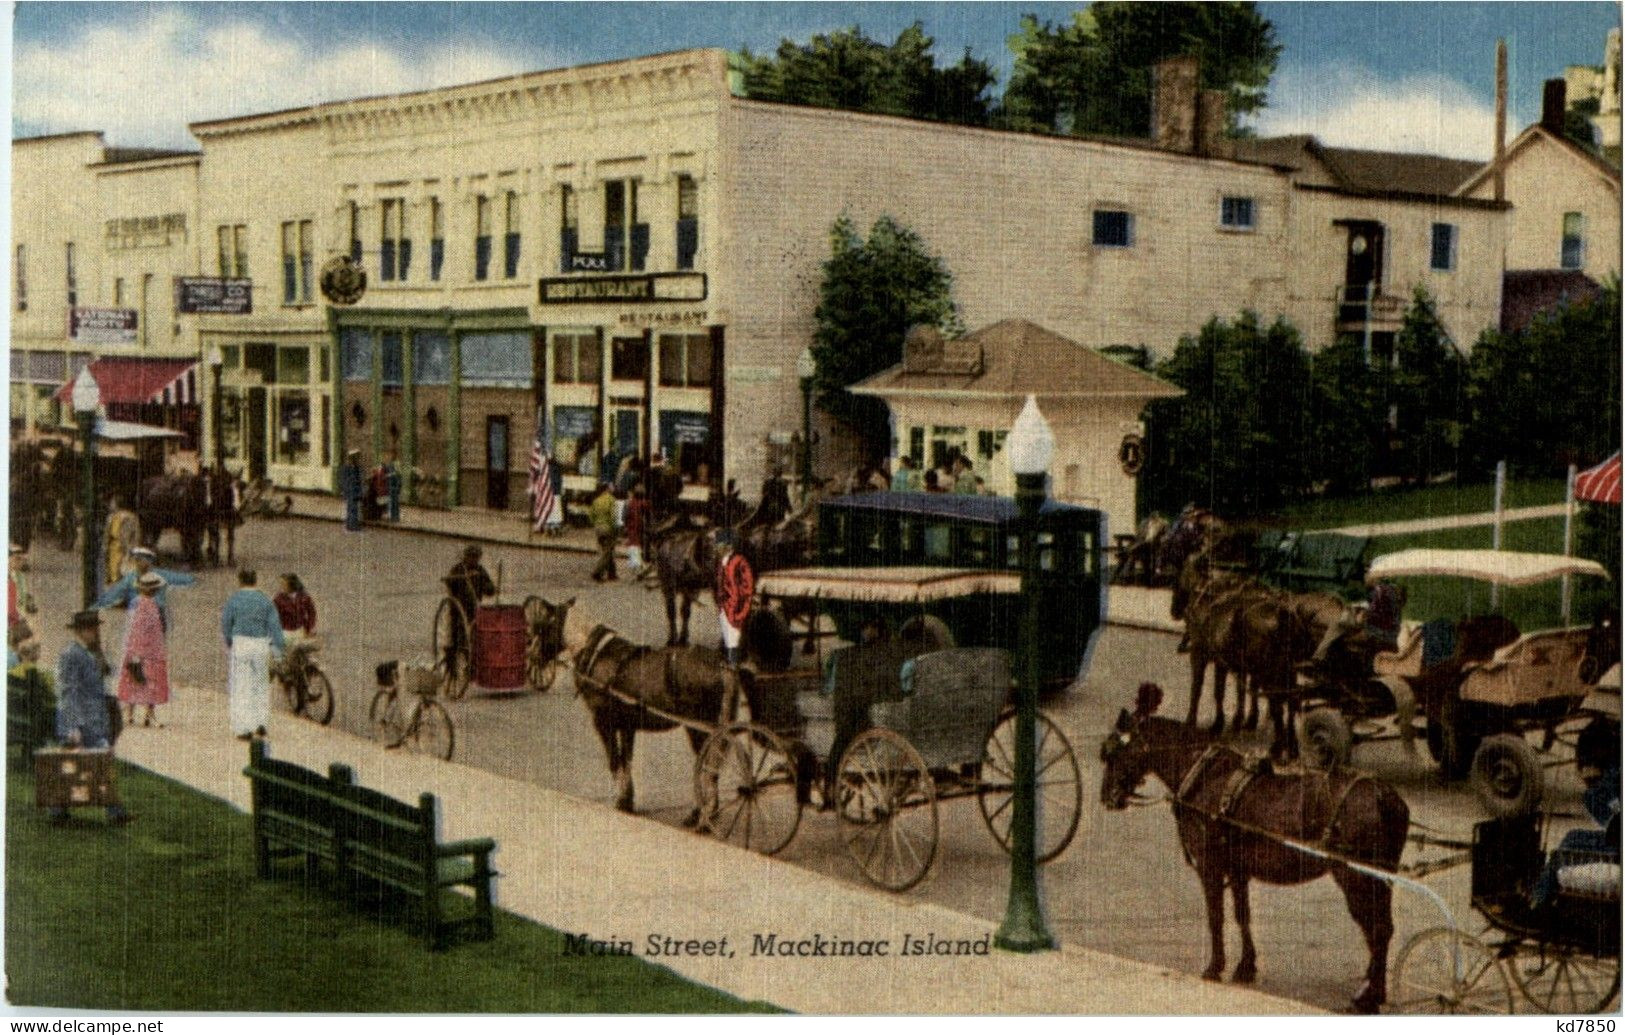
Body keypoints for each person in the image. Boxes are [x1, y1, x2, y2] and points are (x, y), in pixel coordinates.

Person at [52, 610, 131, 824]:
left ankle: (60, 810)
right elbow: (68, 692)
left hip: (93, 717)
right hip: (82, 720)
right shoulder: (71, 654)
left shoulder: (87, 652)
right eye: (91, 629)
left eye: (95, 628)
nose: (95, 632)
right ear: (80, 631)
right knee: (97, 760)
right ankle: (114, 811)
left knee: (83, 764)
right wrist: (73, 726)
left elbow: (99, 676)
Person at [1532, 721, 1621, 910]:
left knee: (1561, 856)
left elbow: (1611, 824)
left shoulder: (1604, 788)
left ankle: (1537, 903)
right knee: (1572, 838)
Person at [221, 569, 285, 741]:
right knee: (261, 684)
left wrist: (229, 642)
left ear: (240, 581)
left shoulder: (234, 600)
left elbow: (226, 624)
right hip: (260, 643)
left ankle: (244, 727)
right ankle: (261, 723)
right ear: (256, 580)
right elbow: (275, 627)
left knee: (242, 685)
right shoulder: (265, 600)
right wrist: (278, 652)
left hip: (241, 642)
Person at [116, 572, 172, 729]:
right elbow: (163, 626)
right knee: (151, 680)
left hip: (135, 647)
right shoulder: (157, 605)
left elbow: (129, 626)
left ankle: (130, 713)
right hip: (153, 648)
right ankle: (148, 714)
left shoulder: (134, 603)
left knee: (133, 678)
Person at [96, 547, 195, 633]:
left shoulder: (160, 574)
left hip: (157, 613)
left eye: (141, 559)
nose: (138, 562)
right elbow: (115, 593)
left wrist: (192, 580)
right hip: (139, 613)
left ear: (150, 561)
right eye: (137, 560)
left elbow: (182, 579)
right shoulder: (130, 577)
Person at [714, 529, 754, 667]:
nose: (717, 548)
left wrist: (738, 605)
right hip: (724, 606)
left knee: (735, 636)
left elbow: (747, 586)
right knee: (729, 636)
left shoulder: (739, 562)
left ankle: (735, 665)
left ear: (729, 547)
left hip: (735, 606)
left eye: (719, 545)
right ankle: (731, 662)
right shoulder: (722, 562)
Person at [103, 494, 141, 588]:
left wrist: (129, 550)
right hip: (116, 548)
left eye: (112, 502)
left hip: (121, 549)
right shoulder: (113, 517)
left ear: (117, 504)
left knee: (120, 574)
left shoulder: (126, 517)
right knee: (116, 574)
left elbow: (130, 536)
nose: (111, 504)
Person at [273, 573, 317, 640]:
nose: (281, 587)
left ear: (291, 584)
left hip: (301, 629)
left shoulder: (304, 597)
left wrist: (310, 627)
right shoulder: (278, 599)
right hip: (285, 631)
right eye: (281, 584)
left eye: (284, 584)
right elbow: (274, 616)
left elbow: (311, 613)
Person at [590, 484, 619, 582]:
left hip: (598, 528)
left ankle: (612, 573)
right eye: (611, 487)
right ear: (607, 489)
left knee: (607, 550)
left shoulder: (596, 500)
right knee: (607, 552)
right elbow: (613, 516)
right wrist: (615, 529)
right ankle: (597, 572)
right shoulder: (611, 500)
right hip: (608, 528)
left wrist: (596, 524)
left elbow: (591, 515)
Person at [623, 485, 650, 576]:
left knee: (633, 545)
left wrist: (625, 526)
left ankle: (635, 565)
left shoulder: (629, 503)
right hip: (639, 527)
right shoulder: (643, 503)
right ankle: (638, 565)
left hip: (631, 527)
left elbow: (625, 516)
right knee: (637, 546)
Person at [339, 449, 365, 532]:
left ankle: (354, 524)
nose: (357, 460)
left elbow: (359, 479)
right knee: (350, 508)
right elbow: (344, 480)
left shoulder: (357, 467)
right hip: (350, 491)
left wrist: (360, 491)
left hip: (356, 490)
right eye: (355, 458)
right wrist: (345, 490)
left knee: (355, 508)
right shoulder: (346, 468)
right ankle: (350, 525)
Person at [384, 451, 403, 523]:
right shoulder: (390, 464)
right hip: (391, 485)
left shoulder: (396, 464)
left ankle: (395, 517)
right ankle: (392, 516)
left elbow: (397, 474)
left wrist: (389, 475)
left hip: (394, 485)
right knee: (392, 502)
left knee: (394, 502)